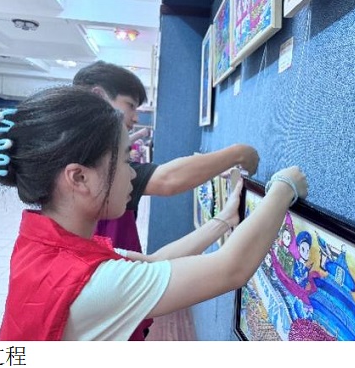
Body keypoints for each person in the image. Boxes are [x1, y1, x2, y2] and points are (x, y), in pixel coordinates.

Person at [0, 86, 308, 341]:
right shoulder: (92, 284)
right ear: (79, 178)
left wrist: (224, 220)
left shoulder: (45, 246)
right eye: (125, 160)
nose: (133, 173)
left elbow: (154, 263)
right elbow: (230, 269)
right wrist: (284, 188)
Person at [73, 61, 260, 253]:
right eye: (130, 105)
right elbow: (167, 179)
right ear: (99, 96)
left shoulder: (84, 148)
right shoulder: (92, 157)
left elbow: (152, 263)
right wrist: (238, 154)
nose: (136, 118)